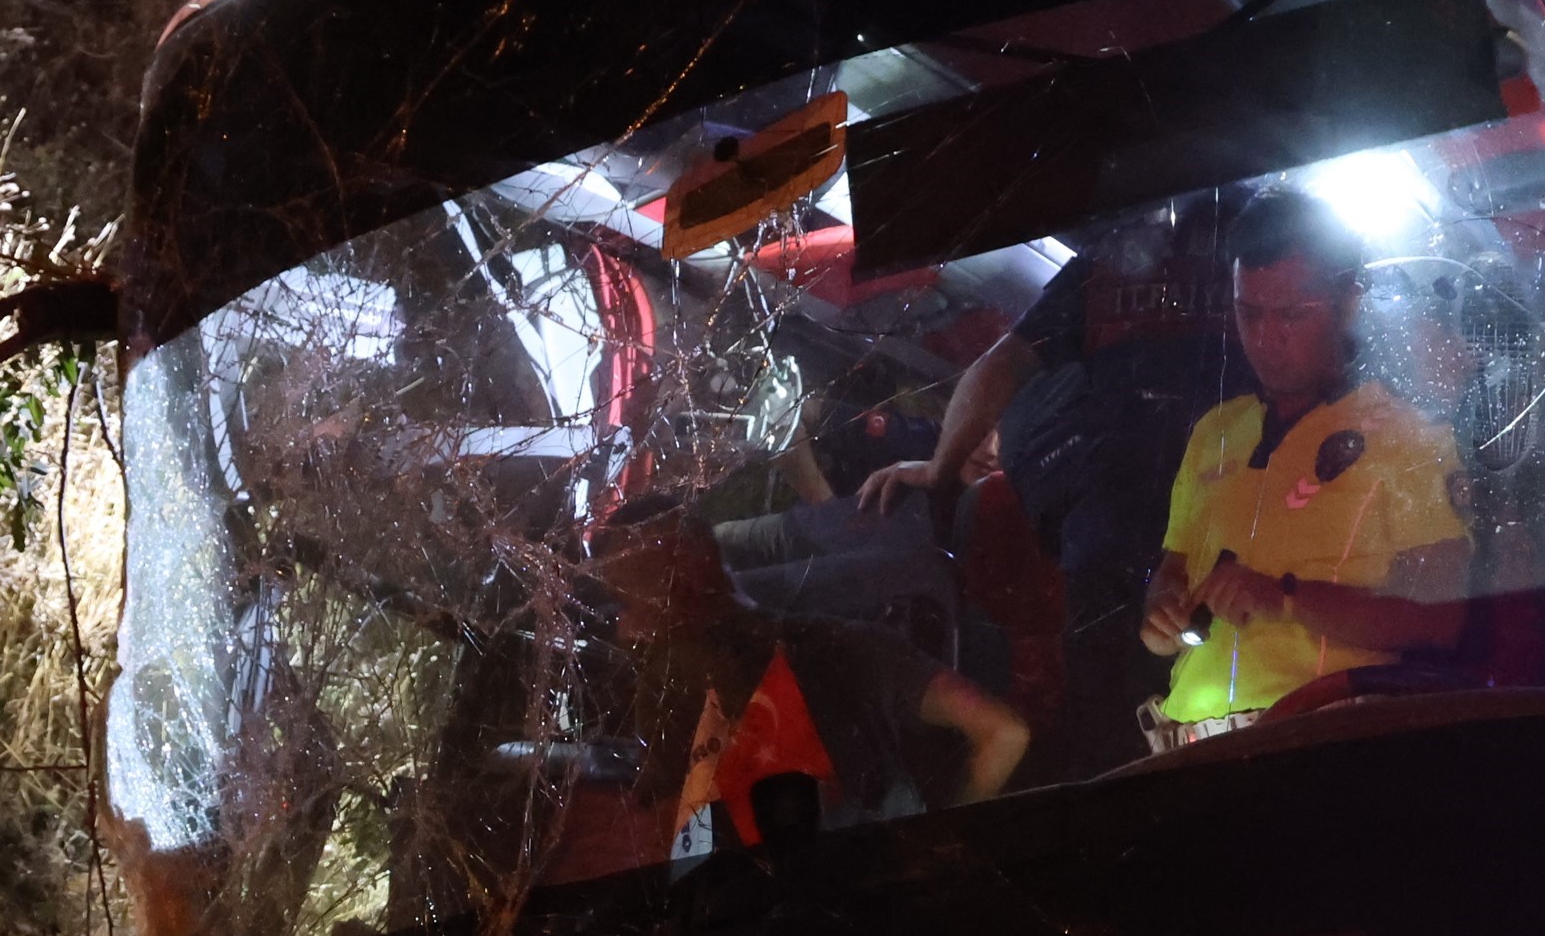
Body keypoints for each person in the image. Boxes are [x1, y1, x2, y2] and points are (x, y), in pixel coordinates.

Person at [860, 194, 1244, 772]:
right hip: (1119, 555)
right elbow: (1003, 363)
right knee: (1115, 735)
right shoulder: (1111, 262)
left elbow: (1002, 365)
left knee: (1201, 729)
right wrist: (941, 469)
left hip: (1223, 551)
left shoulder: (1259, 252)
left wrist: (943, 467)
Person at [1135, 189, 1470, 740]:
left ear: (1349, 303)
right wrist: (1161, 617)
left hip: (1323, 737)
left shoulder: (1410, 437)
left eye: (1291, 315)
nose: (1265, 338)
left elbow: (1440, 622)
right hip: (1188, 745)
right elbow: (1171, 576)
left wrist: (1284, 599)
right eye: (1249, 313)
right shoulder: (1215, 433)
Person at [591, 494, 1029, 862]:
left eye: (626, 601)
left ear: (684, 583)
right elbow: (1005, 732)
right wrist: (939, 850)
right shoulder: (855, 643)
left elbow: (681, 853)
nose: (623, 627)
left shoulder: (676, 696)